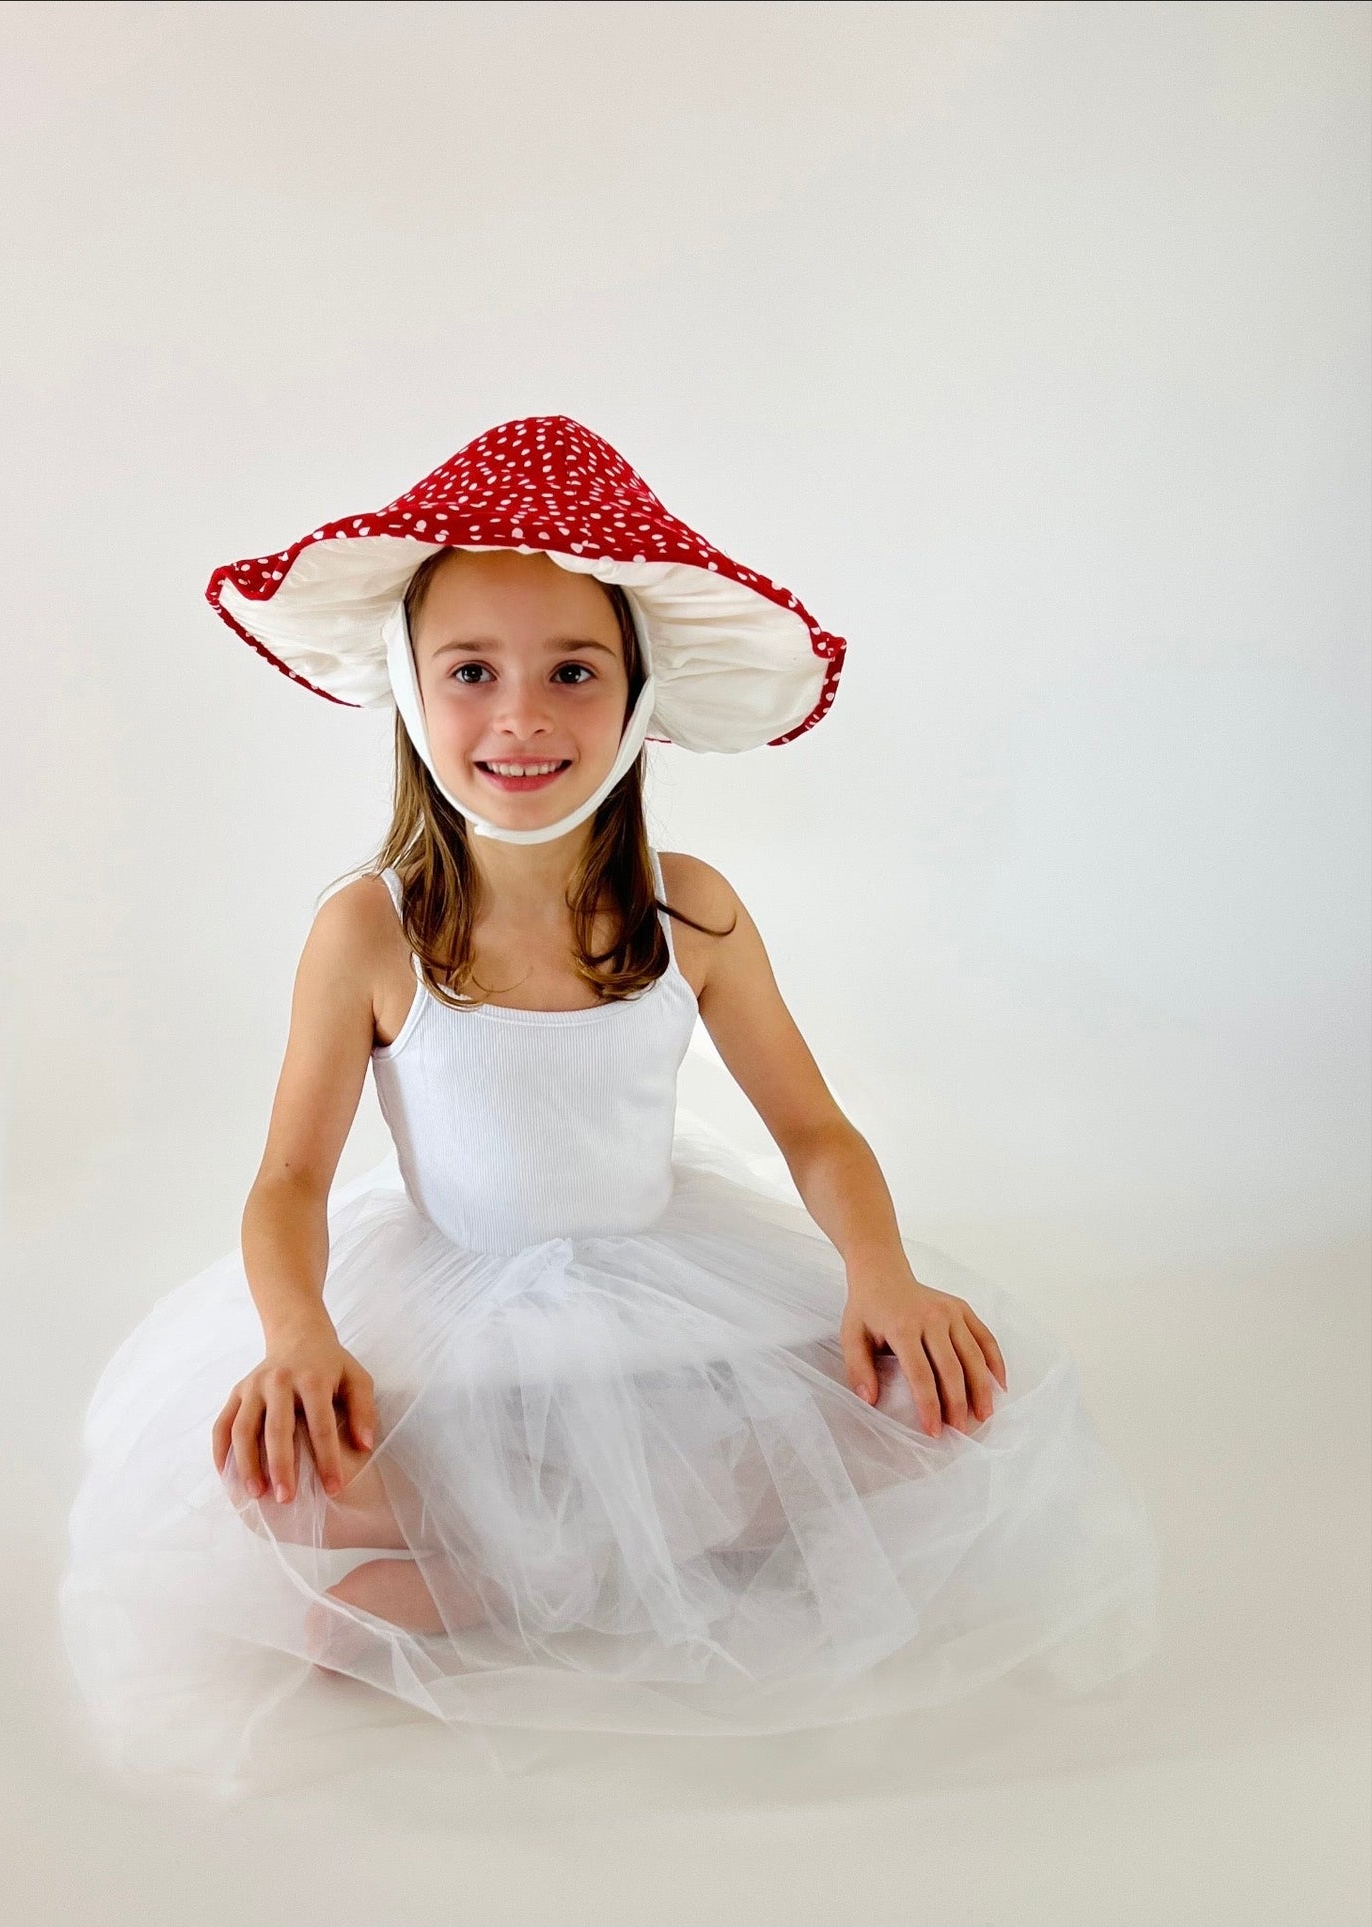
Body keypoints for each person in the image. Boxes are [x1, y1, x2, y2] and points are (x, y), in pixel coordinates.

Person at [58, 416, 1159, 1794]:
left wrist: (882, 1276)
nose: (520, 716)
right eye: (471, 672)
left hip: (661, 1316)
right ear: (408, 689)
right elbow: (287, 1180)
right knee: (274, 1496)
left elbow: (813, 1130)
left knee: (946, 1423)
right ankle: (625, 1550)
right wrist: (297, 1338)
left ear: (637, 696)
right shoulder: (370, 931)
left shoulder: (687, 909)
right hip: (453, 1327)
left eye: (572, 672)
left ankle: (513, 1568)